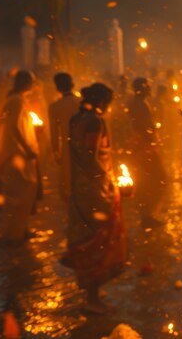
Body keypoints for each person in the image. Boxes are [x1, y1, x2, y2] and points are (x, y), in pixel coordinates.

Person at [60, 83, 126, 314]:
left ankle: (92, 290)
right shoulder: (94, 121)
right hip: (96, 191)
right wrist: (110, 182)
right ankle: (92, 298)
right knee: (98, 241)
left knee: (86, 237)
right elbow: (90, 157)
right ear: (101, 100)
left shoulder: (75, 119)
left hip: (81, 188)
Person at [0, 71, 41, 245]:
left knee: (25, 193)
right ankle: (13, 234)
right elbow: (14, 128)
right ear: (27, 83)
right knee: (18, 195)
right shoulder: (16, 100)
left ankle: (20, 229)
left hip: (18, 153)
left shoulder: (17, 99)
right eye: (33, 82)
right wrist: (27, 148)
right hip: (17, 154)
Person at [124, 78, 167, 225]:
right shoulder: (137, 104)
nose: (150, 90)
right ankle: (146, 215)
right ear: (140, 89)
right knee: (155, 180)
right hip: (143, 148)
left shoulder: (141, 102)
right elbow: (140, 127)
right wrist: (150, 139)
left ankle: (148, 214)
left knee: (150, 180)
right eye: (147, 87)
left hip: (145, 146)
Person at [48, 72, 80, 201]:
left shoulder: (55, 106)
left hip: (67, 149)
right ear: (72, 84)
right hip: (83, 147)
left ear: (57, 88)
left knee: (68, 186)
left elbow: (54, 133)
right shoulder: (81, 102)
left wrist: (56, 152)